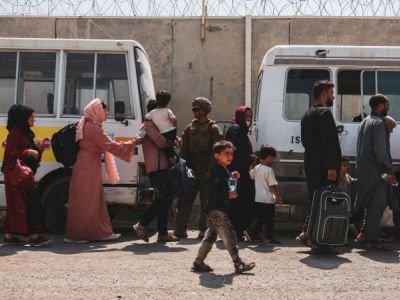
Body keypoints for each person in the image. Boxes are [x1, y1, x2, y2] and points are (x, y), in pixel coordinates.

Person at [64, 98, 138, 243]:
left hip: (86, 165)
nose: (107, 112)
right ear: (97, 111)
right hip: (88, 167)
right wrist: (132, 143)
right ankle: (89, 234)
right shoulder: (93, 128)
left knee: (86, 201)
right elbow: (111, 146)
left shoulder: (87, 124)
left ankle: (85, 233)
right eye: (104, 109)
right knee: (89, 201)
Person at [191, 140, 255, 274]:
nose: (230, 156)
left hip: (212, 210)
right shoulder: (217, 171)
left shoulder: (221, 170)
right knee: (230, 236)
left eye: (231, 153)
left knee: (210, 237)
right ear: (216, 155)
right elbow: (215, 191)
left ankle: (198, 262)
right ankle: (238, 264)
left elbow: (223, 183)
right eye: (226, 153)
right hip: (218, 210)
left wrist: (232, 177)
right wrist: (228, 194)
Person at [298, 80, 342, 246]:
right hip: (324, 165)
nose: (333, 97)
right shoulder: (324, 113)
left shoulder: (307, 114)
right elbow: (328, 142)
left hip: (311, 162)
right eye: (331, 93)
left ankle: (307, 232)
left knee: (316, 199)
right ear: (323, 94)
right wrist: (332, 167)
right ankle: (317, 236)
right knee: (323, 200)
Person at [1, 104, 51, 246]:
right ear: (23, 118)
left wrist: (38, 150)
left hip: (22, 175)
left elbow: (32, 158)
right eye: (32, 117)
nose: (34, 120)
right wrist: (28, 152)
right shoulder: (16, 133)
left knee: (16, 205)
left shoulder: (25, 133)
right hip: (17, 176)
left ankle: (10, 236)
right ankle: (34, 237)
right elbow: (11, 155)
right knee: (30, 204)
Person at [174, 97, 222, 239]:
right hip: (192, 167)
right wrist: (183, 168)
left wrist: (211, 169)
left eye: (197, 109)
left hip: (206, 167)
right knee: (185, 200)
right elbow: (184, 150)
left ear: (205, 110)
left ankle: (203, 229)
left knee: (206, 201)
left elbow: (216, 151)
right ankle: (180, 229)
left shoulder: (213, 128)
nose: (194, 112)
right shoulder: (190, 128)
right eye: (193, 109)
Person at [354, 95, 397, 249]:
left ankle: (363, 234)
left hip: (364, 170)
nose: (388, 108)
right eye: (387, 105)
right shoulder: (379, 124)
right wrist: (389, 169)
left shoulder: (364, 121)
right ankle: (371, 240)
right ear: (380, 106)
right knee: (376, 204)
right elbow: (380, 150)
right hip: (378, 171)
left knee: (369, 203)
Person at [133, 100, 179, 243]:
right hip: (157, 166)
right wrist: (171, 142)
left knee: (164, 199)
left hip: (160, 166)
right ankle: (142, 224)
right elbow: (160, 141)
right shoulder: (149, 125)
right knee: (162, 199)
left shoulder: (153, 124)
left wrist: (174, 140)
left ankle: (163, 233)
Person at [224, 106, 256, 241]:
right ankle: (238, 231)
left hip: (239, 172)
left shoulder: (239, 130)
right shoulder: (236, 130)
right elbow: (236, 153)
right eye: (246, 117)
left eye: (250, 117)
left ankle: (239, 231)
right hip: (235, 173)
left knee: (239, 201)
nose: (248, 120)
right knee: (237, 202)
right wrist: (250, 158)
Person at [244, 145, 283, 245]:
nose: (273, 160)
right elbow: (272, 186)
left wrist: (252, 166)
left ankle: (251, 230)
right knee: (269, 220)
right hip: (268, 199)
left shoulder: (257, 168)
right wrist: (278, 197)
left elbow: (251, 176)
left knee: (261, 218)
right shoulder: (269, 170)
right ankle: (269, 238)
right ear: (269, 157)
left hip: (258, 198)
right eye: (273, 158)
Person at [144, 90, 177, 162]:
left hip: (164, 134)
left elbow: (145, 118)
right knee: (171, 149)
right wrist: (174, 126)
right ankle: (174, 161)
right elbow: (174, 120)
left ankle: (173, 159)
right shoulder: (168, 110)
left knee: (169, 150)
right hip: (172, 131)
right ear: (167, 102)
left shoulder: (151, 115)